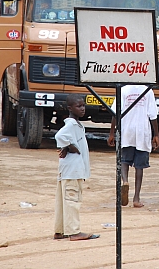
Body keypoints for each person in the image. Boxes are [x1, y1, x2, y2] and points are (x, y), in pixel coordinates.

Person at [54, 94, 99, 241]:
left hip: (68, 169)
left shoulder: (77, 125)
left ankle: (60, 230)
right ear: (70, 108)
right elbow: (59, 136)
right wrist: (70, 146)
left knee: (63, 201)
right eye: (79, 106)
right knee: (72, 200)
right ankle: (74, 232)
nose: (83, 108)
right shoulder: (71, 125)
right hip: (73, 170)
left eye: (83, 105)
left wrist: (67, 147)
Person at [108, 85, 159, 207]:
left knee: (124, 161)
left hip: (127, 131)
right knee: (139, 166)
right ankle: (136, 198)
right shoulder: (148, 90)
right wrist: (156, 134)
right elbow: (153, 115)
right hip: (142, 132)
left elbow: (115, 113)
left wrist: (111, 133)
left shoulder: (123, 89)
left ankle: (125, 181)